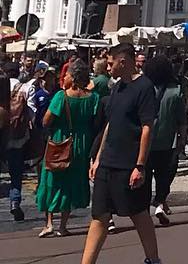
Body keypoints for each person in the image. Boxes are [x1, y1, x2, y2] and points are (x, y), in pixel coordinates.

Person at [79, 42, 163, 264]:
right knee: (100, 215)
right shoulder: (116, 88)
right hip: (108, 162)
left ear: (123, 62)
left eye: (110, 63)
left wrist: (140, 165)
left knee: (137, 213)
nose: (108, 68)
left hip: (129, 163)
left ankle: (153, 259)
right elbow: (110, 124)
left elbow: (147, 128)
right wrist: (98, 158)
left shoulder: (144, 88)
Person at [36, 59, 99, 239]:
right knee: (71, 183)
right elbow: (94, 121)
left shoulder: (61, 96)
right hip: (81, 143)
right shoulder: (92, 98)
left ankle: (49, 223)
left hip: (60, 141)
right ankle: (63, 225)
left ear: (73, 76)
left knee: (52, 180)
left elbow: (46, 120)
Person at [142, 54, 185, 227]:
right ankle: (159, 201)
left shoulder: (144, 89)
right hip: (168, 141)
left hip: (146, 141)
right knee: (164, 175)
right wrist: (182, 140)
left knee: (145, 177)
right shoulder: (176, 91)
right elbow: (181, 120)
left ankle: (144, 210)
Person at [5, 61, 30, 222]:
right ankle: (15, 202)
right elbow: (32, 112)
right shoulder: (25, 88)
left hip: (2, 133)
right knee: (16, 173)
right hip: (17, 137)